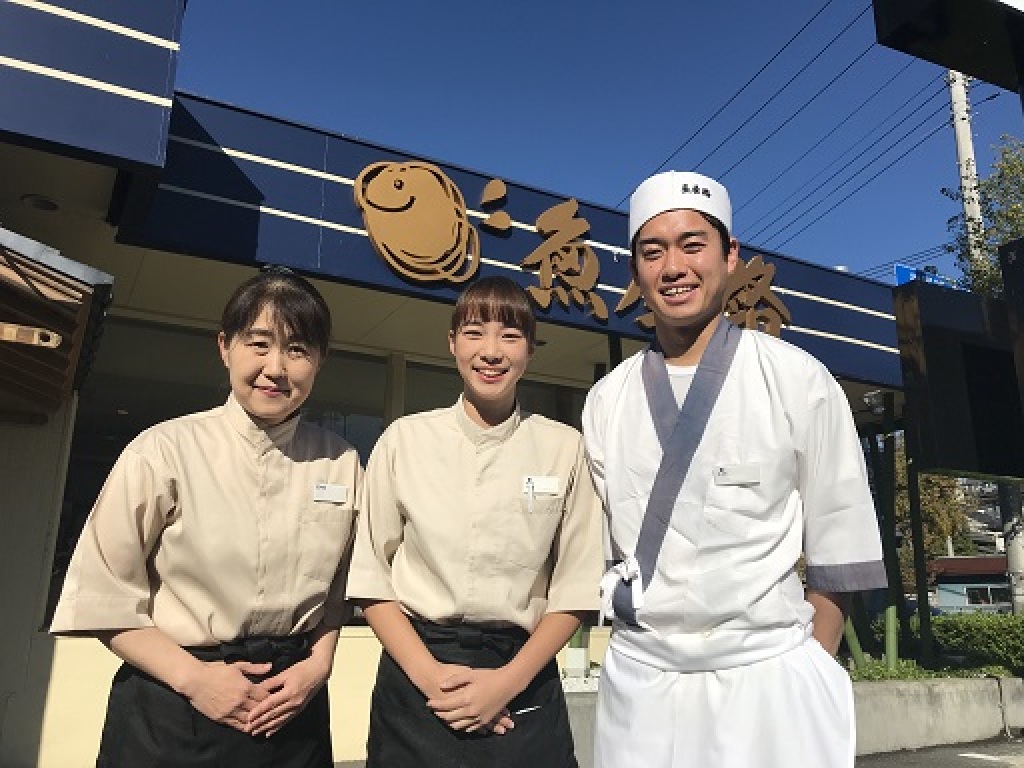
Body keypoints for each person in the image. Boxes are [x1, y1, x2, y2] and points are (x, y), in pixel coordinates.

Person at [583, 171, 887, 768]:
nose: (674, 266)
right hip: (644, 678)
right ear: (636, 272)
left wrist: (810, 662)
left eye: (693, 245)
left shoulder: (796, 377)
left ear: (730, 257)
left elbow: (839, 530)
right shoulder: (607, 399)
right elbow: (602, 550)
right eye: (654, 251)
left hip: (766, 678)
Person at [50, 268, 362, 768]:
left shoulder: (342, 462)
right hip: (175, 705)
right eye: (258, 344)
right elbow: (102, 596)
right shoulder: (162, 451)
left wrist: (318, 664)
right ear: (226, 347)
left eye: (297, 349)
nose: (275, 367)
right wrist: (197, 681)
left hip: (291, 708)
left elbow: (340, 589)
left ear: (320, 361)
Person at [346, 276, 603, 768]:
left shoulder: (564, 448)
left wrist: (505, 683)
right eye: (474, 333)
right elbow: (369, 573)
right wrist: (432, 679)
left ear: (530, 350)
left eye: (510, 335)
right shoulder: (405, 440)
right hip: (416, 671)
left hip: (522, 674)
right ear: (451, 344)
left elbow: (578, 584)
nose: (491, 351)